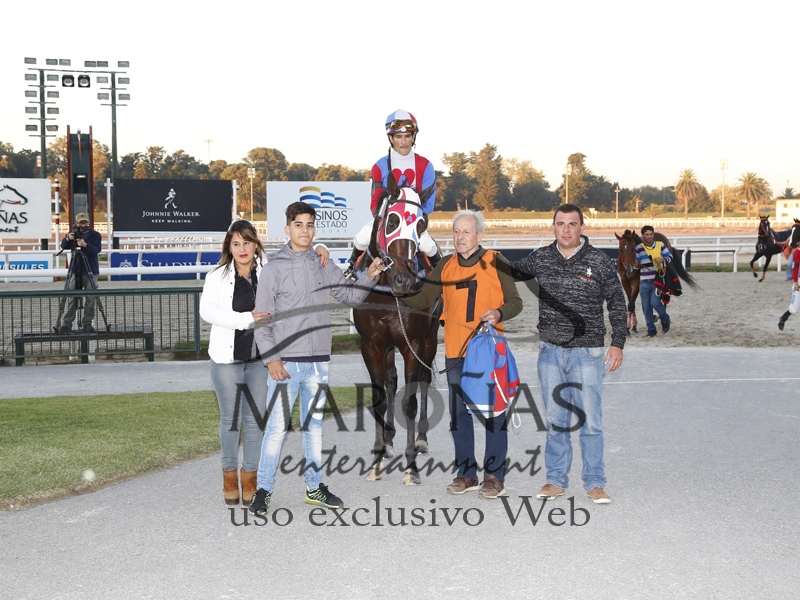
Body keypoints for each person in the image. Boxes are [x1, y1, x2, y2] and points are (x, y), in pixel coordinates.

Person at [249, 201, 384, 517]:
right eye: (298, 224)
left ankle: (314, 488)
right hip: (285, 363)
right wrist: (271, 360)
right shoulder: (273, 269)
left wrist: (370, 274)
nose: (305, 230)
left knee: (314, 429)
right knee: (276, 430)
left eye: (309, 224)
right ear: (287, 228)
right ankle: (263, 490)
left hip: (319, 362)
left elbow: (349, 295)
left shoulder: (323, 262)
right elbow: (262, 319)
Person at [511, 204, 626, 504]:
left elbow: (617, 301)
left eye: (572, 224)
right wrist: (483, 256)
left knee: (591, 421)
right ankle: (555, 480)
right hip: (549, 353)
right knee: (555, 420)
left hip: (587, 353)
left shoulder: (599, 261)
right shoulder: (540, 257)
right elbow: (507, 272)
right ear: (553, 226)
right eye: (560, 223)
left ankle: (595, 482)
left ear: (582, 227)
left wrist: (618, 342)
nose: (566, 229)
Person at [403, 210, 522, 499]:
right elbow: (425, 298)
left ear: (479, 235)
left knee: (493, 414)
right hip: (456, 352)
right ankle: (466, 473)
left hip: (488, 352)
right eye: (456, 232)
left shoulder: (497, 261)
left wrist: (499, 313)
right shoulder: (445, 265)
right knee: (459, 417)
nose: (460, 237)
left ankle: (494, 476)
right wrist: (398, 291)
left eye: (466, 231)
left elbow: (516, 302)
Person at [199, 219, 271, 506]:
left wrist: (321, 247)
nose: (242, 248)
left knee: (254, 420)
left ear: (256, 245)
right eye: (236, 243)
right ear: (229, 247)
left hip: (259, 360)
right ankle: (229, 476)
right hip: (226, 360)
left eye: (247, 242)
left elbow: (297, 259)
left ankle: (250, 478)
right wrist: (246, 319)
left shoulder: (268, 272)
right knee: (230, 419)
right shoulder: (216, 277)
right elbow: (207, 311)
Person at [344, 109, 440, 279]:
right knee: (362, 237)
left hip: (412, 222)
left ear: (413, 137)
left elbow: (428, 204)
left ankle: (442, 275)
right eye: (398, 136)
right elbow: (375, 204)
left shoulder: (426, 166)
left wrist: (410, 222)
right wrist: (387, 221)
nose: (403, 141)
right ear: (391, 138)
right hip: (388, 221)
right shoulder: (379, 166)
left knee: (428, 245)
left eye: (408, 136)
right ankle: (352, 267)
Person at [57, 212, 102, 334]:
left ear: (89, 222)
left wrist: (85, 245)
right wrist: (68, 238)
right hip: (75, 270)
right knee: (72, 298)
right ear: (76, 223)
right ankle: (66, 324)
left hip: (90, 270)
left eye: (85, 222)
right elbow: (63, 246)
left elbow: (97, 250)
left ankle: (87, 323)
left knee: (90, 298)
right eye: (81, 223)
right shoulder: (72, 233)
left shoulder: (95, 235)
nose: (83, 225)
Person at [634, 225, 672, 337]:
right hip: (644, 281)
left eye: (651, 234)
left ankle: (665, 318)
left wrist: (663, 259)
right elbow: (636, 265)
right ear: (643, 236)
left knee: (655, 302)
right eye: (647, 234)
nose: (649, 236)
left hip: (657, 280)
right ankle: (651, 329)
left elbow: (670, 257)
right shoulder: (638, 248)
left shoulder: (660, 245)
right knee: (646, 307)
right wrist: (636, 265)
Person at [778, 235, 800, 330]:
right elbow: (795, 268)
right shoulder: (798, 252)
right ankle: (783, 318)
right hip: (798, 281)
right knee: (794, 308)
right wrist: (796, 283)